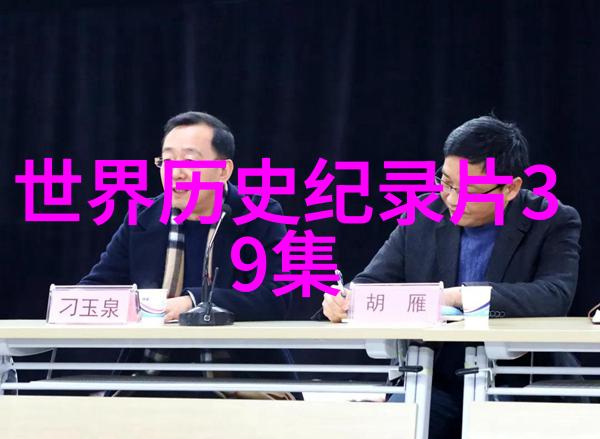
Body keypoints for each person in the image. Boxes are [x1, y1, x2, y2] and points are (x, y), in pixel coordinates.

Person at [321, 115, 582, 438]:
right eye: (446, 183)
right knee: (396, 426)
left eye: (471, 190)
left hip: (521, 384)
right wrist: (344, 299)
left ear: (511, 188)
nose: (454, 199)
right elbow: (370, 283)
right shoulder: (422, 216)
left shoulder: (551, 220)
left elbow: (554, 295)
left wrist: (460, 297)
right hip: (433, 381)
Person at [79, 111, 293, 377]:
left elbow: (275, 297)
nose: (176, 173)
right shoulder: (143, 218)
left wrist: (194, 302)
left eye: (190, 161)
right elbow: (95, 289)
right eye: (167, 161)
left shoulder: (257, 215)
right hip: (150, 377)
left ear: (223, 170)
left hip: (241, 377)